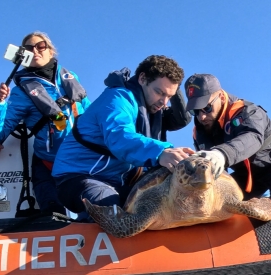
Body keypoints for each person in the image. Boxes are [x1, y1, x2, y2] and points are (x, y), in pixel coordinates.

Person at [51, 55, 193, 214]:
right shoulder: (117, 99)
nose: (164, 102)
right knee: (110, 209)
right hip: (77, 176)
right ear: (142, 78)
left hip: (117, 180)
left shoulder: (150, 107)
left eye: (170, 97)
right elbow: (119, 137)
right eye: (159, 92)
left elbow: (180, 119)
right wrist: (161, 152)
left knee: (163, 201)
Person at [0, 31, 91, 214]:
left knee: (90, 216)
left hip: (82, 161)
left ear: (51, 51)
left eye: (40, 46)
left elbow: (90, 114)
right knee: (53, 219)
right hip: (47, 166)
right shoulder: (20, 93)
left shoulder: (71, 78)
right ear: (23, 56)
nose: (35, 51)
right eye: (28, 48)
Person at [184, 74, 271, 202]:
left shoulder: (247, 111)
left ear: (220, 97)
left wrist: (221, 154)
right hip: (247, 174)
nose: (201, 117)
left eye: (207, 108)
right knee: (218, 203)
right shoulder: (199, 132)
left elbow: (253, 137)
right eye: (195, 111)